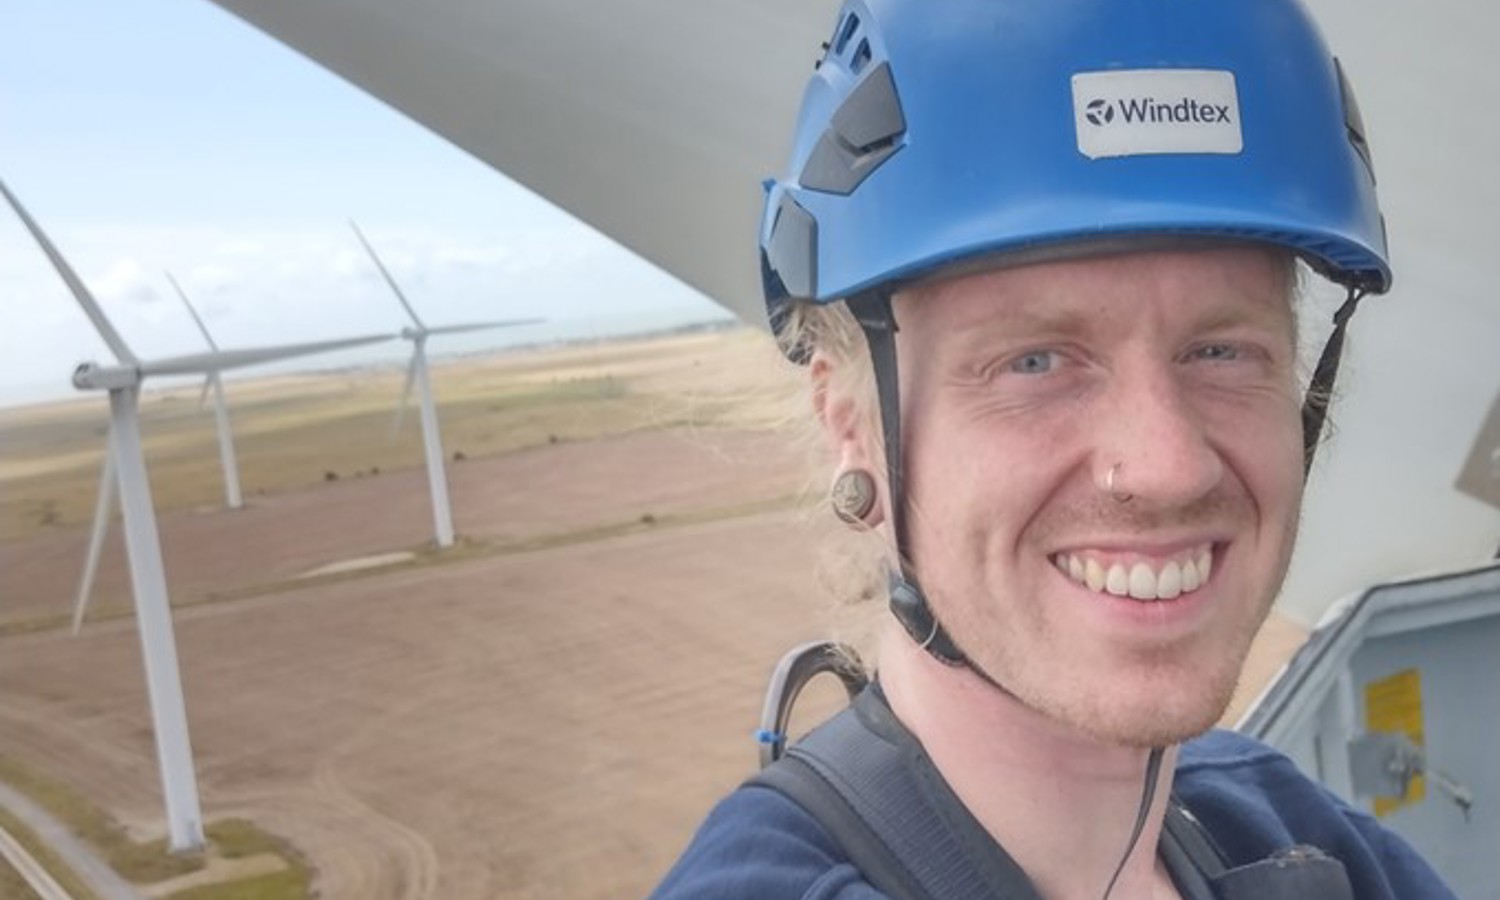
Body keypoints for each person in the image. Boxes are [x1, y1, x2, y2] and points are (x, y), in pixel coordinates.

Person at [652, 0, 1457, 897]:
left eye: (1220, 351)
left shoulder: (1297, 831)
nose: (1167, 467)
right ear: (851, 425)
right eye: (1033, 361)